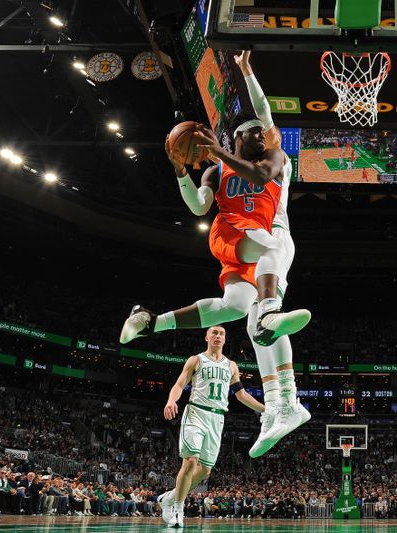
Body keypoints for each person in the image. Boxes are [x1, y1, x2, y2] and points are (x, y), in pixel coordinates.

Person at [119, 109, 311, 348]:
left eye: (263, 131)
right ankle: (269, 313)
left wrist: (219, 152)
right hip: (233, 230)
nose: (263, 135)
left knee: (235, 307)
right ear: (239, 136)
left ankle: (150, 321)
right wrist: (181, 171)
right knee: (274, 247)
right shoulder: (216, 171)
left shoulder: (274, 156)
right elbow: (199, 207)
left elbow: (260, 176)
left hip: (252, 242)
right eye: (256, 131)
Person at [233, 49, 310, 458]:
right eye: (251, 134)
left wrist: (247, 72)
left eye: (261, 134)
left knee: (263, 318)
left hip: (275, 240)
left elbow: (264, 113)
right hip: (258, 250)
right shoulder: (235, 171)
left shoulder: (277, 161)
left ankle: (287, 401)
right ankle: (282, 407)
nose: (260, 136)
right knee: (254, 329)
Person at [156, 325, 264, 527]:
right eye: (214, 333)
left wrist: (264, 409)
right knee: (190, 461)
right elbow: (180, 384)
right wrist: (171, 401)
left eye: (221, 334)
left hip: (217, 418)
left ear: (225, 340)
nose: (218, 336)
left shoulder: (231, 365)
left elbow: (241, 395)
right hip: (196, 412)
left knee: (205, 471)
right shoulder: (196, 360)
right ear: (206, 337)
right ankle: (178, 510)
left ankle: (169, 498)